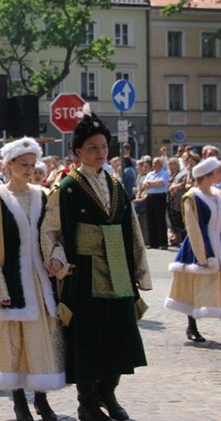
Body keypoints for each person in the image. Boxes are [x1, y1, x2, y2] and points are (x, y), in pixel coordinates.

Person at [41, 106, 151, 421]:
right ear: (78, 152)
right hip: (85, 269)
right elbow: (51, 230)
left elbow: (132, 230)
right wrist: (59, 262)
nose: (99, 152)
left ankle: (108, 393)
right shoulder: (68, 187)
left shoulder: (116, 186)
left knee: (119, 332)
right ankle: (87, 401)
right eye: (92, 148)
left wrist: (139, 271)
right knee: (88, 337)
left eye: (103, 147)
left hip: (117, 267)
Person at [0, 137, 64, 421]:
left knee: (42, 341)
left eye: (33, 164)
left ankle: (41, 399)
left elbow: (54, 235)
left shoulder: (42, 195)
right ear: (9, 165)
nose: (29, 169)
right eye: (23, 165)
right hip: (11, 278)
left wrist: (57, 257)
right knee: (14, 342)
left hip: (41, 279)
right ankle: (19, 400)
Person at [164, 157, 221, 346]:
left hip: (218, 246)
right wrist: (202, 255)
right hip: (199, 246)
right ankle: (191, 327)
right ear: (207, 175)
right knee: (194, 286)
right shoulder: (191, 197)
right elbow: (193, 228)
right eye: (218, 172)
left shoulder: (218, 195)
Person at [141, 157, 170, 249]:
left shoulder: (164, 173)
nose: (154, 165)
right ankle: (153, 243)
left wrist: (150, 184)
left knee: (160, 220)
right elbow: (144, 185)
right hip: (150, 197)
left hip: (160, 197)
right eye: (153, 163)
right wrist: (153, 184)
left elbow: (161, 183)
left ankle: (162, 243)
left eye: (156, 163)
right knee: (151, 219)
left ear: (161, 165)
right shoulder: (150, 174)